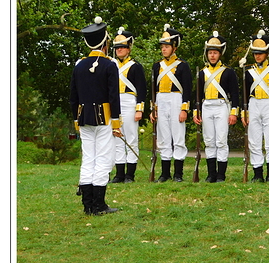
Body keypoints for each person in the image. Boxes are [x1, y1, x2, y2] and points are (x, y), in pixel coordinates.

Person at [70, 16, 122, 215]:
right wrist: (116, 123)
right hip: (104, 118)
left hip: (83, 118)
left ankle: (87, 205)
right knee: (102, 159)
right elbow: (113, 96)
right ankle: (98, 205)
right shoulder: (109, 65)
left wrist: (76, 120)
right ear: (105, 41)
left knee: (88, 159)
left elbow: (73, 97)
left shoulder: (79, 65)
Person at [193, 31, 239, 182]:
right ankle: (211, 174)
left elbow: (235, 94)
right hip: (206, 106)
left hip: (221, 106)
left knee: (221, 140)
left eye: (215, 53)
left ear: (220, 54)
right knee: (209, 141)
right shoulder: (202, 73)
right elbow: (197, 95)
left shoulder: (228, 72)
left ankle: (221, 175)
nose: (212, 55)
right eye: (210, 53)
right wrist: (196, 112)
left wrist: (234, 113)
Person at [240, 29, 269, 182]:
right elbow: (244, 94)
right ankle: (257, 174)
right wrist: (244, 112)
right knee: (254, 141)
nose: (257, 55)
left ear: (266, 53)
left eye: (260, 52)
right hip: (253, 105)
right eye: (255, 53)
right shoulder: (248, 71)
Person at [150, 24, 192, 182]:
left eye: (167, 46)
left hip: (176, 101)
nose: (164, 49)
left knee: (178, 137)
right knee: (163, 138)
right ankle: (165, 173)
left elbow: (188, 90)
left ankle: (178, 174)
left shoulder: (182, 66)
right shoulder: (157, 66)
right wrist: (153, 109)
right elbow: (153, 90)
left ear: (174, 47)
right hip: (161, 101)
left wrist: (184, 109)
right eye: (162, 46)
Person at [110, 27, 147, 184]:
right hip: (114, 102)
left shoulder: (135, 66)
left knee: (131, 139)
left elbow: (142, 89)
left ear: (128, 48)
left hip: (129, 102)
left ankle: (130, 175)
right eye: (117, 47)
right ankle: (119, 174)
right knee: (117, 139)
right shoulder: (111, 65)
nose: (119, 50)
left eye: (122, 47)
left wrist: (139, 109)